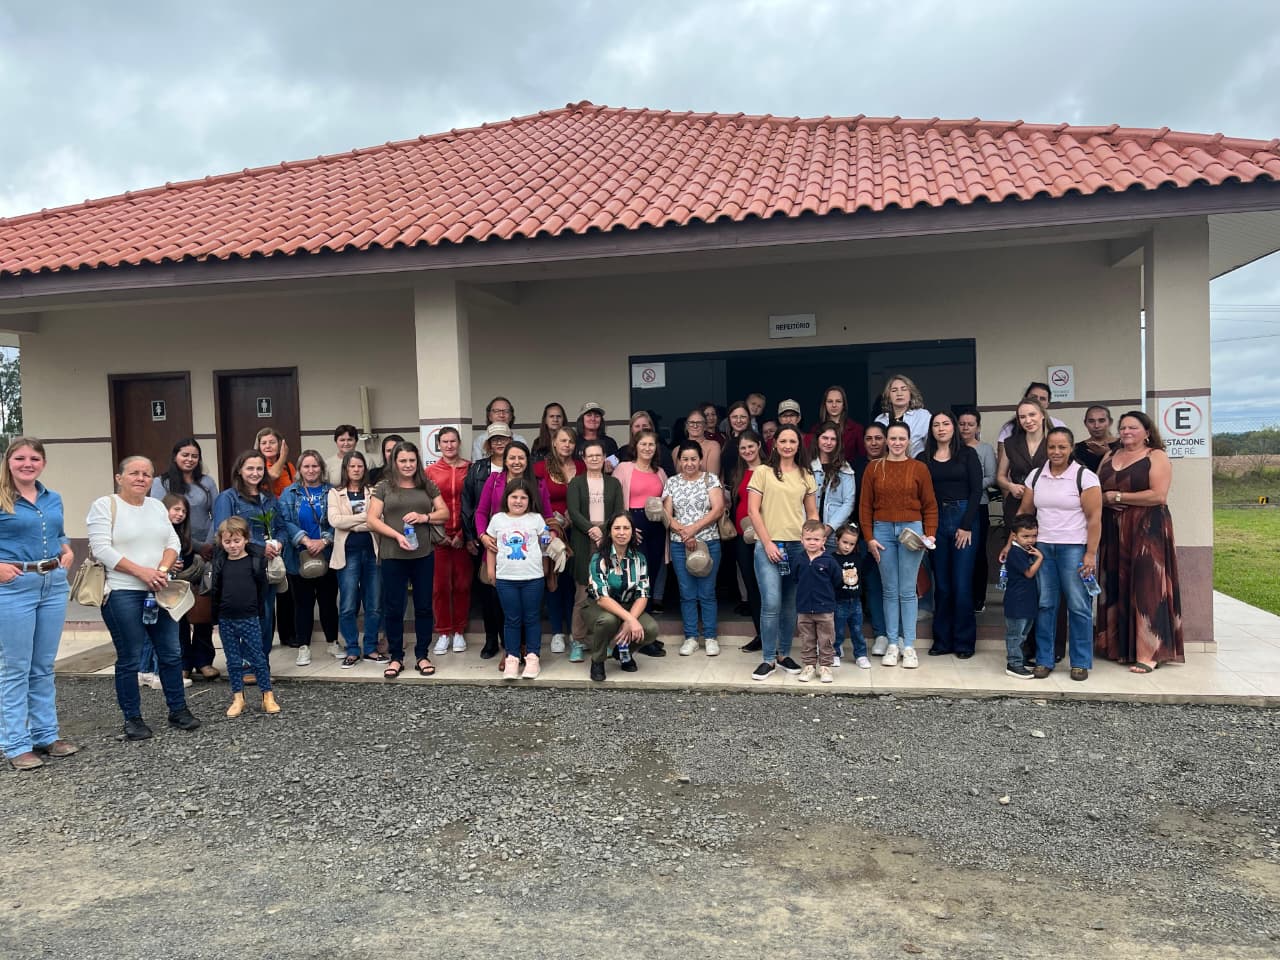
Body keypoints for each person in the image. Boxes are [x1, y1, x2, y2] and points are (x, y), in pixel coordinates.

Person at [88, 455, 202, 741]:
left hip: (159, 589)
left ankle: (178, 709)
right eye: (134, 473)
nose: (141, 478)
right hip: (123, 591)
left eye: (147, 474)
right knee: (130, 656)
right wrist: (142, 573)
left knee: (171, 652)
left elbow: (172, 542)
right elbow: (101, 548)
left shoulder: (155, 507)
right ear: (119, 477)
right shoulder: (105, 506)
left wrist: (160, 571)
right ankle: (133, 718)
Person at [0, 437, 77, 770]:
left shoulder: (53, 498)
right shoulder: (2, 497)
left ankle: (46, 734)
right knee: (15, 667)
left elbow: (58, 534)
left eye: (34, 458)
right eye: (20, 458)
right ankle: (16, 743)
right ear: (9, 461)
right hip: (15, 586)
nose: (27, 464)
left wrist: (67, 549)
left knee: (43, 665)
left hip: (52, 584)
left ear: (43, 463)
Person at [1095, 411, 1185, 673]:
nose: (1126, 432)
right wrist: (1105, 500)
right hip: (1113, 529)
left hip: (1147, 529)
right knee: (1115, 584)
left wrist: (1118, 497)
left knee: (1147, 587)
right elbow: (1097, 489)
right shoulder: (1109, 456)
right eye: (1122, 428)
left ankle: (1150, 653)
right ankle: (1116, 646)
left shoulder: (1156, 456)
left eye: (1133, 427)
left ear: (1147, 431)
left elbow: (1158, 495)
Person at [1014, 426, 1102, 681]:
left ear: (1071, 448)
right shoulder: (1036, 475)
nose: (1056, 451)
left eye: (1062, 447)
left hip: (1073, 547)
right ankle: (1044, 658)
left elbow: (1095, 518)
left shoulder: (1084, 477)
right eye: (1051, 446)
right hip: (1042, 549)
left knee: (1078, 605)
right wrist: (1012, 542)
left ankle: (1081, 661)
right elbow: (1025, 512)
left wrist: (1090, 554)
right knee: (1045, 604)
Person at [366, 441, 449, 680]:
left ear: (418, 461)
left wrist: (424, 517)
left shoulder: (427, 485)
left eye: (412, 460)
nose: (408, 465)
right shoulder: (384, 487)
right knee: (393, 608)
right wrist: (396, 535)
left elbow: (444, 513)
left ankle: (422, 654)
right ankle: (396, 657)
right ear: (394, 462)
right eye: (403, 460)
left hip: (423, 554)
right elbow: (372, 519)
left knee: (423, 606)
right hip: (393, 555)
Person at [860, 421, 938, 669]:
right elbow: (865, 506)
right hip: (882, 530)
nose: (896, 443)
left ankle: (909, 645)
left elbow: (930, 505)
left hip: (911, 530)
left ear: (909, 441)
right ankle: (892, 643)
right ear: (886, 441)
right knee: (889, 589)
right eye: (892, 438)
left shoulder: (919, 468)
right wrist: (869, 537)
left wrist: (930, 534)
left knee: (907, 590)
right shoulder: (874, 469)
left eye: (901, 438)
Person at [747, 425, 818, 680]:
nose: (788, 445)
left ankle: (783, 653)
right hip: (769, 545)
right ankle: (767, 658)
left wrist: (812, 541)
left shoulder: (806, 474)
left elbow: (811, 514)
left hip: (797, 547)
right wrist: (767, 543)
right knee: (772, 602)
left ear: (799, 445)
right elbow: (753, 511)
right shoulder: (763, 473)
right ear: (774, 444)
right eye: (783, 441)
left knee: (789, 604)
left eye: (793, 441)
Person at [149, 437, 220, 679]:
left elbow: (215, 514)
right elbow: (159, 516)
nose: (189, 459)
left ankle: (204, 660)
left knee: (202, 608)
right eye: (185, 455)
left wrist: (209, 545)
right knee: (176, 610)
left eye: (194, 456)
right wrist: (195, 546)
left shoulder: (207, 482)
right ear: (175, 456)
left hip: (205, 554)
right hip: (175, 551)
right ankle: (182, 663)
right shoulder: (162, 483)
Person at [918, 412, 984, 659]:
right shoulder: (923, 458)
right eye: (936, 424)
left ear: (954, 427)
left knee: (961, 584)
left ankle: (964, 642)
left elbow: (977, 490)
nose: (941, 428)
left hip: (963, 520)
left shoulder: (967, 454)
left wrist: (966, 525)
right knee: (942, 585)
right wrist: (926, 527)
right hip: (935, 520)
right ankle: (942, 640)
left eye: (946, 423)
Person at [213, 451, 284, 663]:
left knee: (266, 613)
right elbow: (224, 533)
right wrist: (260, 547)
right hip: (240, 568)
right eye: (250, 468)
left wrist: (278, 542)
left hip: (267, 566)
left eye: (259, 469)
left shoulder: (269, 498)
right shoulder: (228, 498)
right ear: (240, 470)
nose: (255, 473)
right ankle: (242, 662)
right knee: (244, 616)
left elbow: (280, 527)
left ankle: (260, 661)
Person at [209, 517, 280, 717]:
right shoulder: (220, 562)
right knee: (232, 661)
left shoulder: (255, 560)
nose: (233, 546)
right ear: (221, 542)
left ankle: (267, 695)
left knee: (258, 658)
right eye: (228, 542)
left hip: (249, 616)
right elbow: (216, 589)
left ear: (246, 539)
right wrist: (215, 616)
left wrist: (259, 611)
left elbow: (261, 587)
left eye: (237, 541)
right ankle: (238, 697)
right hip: (226, 618)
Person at [663, 440, 726, 657]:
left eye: (693, 459)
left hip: (708, 542)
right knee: (687, 592)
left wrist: (693, 530)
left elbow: (718, 509)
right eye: (685, 459)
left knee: (707, 592)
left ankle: (710, 637)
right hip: (680, 544)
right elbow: (667, 514)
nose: (689, 463)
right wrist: (684, 533)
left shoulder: (711, 479)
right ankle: (690, 637)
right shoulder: (672, 482)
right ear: (679, 461)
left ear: (700, 460)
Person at [278, 450, 338, 666]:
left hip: (327, 554)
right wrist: (305, 540)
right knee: (302, 604)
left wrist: (324, 540)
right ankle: (303, 646)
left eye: (315, 466)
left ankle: (333, 642)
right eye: (306, 466)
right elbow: (284, 520)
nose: (311, 470)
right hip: (298, 556)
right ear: (300, 469)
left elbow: (336, 519)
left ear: (321, 468)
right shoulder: (289, 493)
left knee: (328, 602)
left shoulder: (331, 491)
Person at [584, 512, 660, 682]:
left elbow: (643, 594)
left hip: (628, 605)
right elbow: (601, 597)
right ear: (609, 532)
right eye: (617, 528)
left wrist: (630, 619)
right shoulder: (599, 559)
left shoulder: (639, 559)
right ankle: (598, 660)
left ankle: (623, 651)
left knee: (650, 629)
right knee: (608, 621)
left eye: (626, 528)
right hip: (599, 607)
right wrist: (630, 620)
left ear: (632, 532)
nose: (621, 532)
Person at [567, 440, 625, 662]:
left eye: (598, 455)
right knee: (582, 594)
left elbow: (619, 511)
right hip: (583, 541)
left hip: (607, 542)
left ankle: (607, 641)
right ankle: (578, 641)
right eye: (589, 455)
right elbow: (573, 511)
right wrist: (591, 529)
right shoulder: (576, 483)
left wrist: (602, 530)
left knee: (608, 593)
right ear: (583, 458)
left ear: (604, 458)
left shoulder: (613, 483)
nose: (594, 459)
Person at [487, 482, 550, 679]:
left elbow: (545, 543)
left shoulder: (536, 519)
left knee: (531, 618)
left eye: (523, 498)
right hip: (506, 578)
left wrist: (546, 563)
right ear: (506, 498)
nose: (518, 501)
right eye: (514, 497)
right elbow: (490, 546)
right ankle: (512, 658)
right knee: (511, 619)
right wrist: (491, 570)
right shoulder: (497, 519)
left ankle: (532, 657)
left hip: (533, 578)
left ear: (530, 501)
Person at [328, 451, 383, 668]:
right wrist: (365, 519)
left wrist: (354, 521)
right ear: (346, 469)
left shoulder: (373, 491)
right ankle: (352, 647)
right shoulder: (335, 492)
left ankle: (370, 647)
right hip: (347, 554)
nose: (357, 470)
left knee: (374, 604)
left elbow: (379, 519)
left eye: (360, 466)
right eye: (352, 466)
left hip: (372, 552)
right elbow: (335, 520)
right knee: (348, 605)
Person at [462, 423, 512, 659]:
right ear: (488, 444)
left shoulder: (519, 467)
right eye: (495, 440)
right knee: (488, 595)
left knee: (509, 595)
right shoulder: (478, 469)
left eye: (503, 439)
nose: (499, 443)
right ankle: (491, 639)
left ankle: (510, 642)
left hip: (514, 541)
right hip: (485, 540)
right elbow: (469, 504)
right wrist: (472, 536)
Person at [533, 427, 583, 652]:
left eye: (571, 441)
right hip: (550, 532)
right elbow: (533, 499)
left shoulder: (581, 466)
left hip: (577, 531)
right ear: (554, 442)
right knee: (553, 579)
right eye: (563, 440)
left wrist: (574, 515)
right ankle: (556, 632)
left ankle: (575, 629)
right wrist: (551, 520)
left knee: (573, 581)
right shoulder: (540, 468)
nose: (567, 445)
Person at [613, 429, 669, 624]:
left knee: (651, 575)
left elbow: (667, 502)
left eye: (651, 444)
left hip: (657, 526)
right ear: (635, 446)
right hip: (633, 524)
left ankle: (646, 627)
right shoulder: (623, 468)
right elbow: (615, 500)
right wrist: (626, 527)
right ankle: (632, 624)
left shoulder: (660, 472)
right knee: (635, 575)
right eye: (643, 444)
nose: (647, 448)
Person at [426, 427, 471, 658]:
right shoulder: (430, 471)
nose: (449, 445)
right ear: (439, 444)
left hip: (463, 538)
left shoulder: (470, 468)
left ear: (459, 442)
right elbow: (426, 506)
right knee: (440, 587)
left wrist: (463, 534)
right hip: (439, 539)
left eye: (453, 441)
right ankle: (443, 632)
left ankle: (459, 630)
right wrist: (440, 535)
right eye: (445, 441)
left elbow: (473, 504)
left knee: (462, 585)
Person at [957, 408, 997, 614]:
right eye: (962, 423)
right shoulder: (951, 449)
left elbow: (992, 477)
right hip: (954, 508)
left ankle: (978, 598)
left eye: (970, 424)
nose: (965, 427)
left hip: (978, 505)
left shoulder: (985, 449)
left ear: (978, 427)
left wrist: (969, 485)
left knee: (978, 553)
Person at [793, 519, 843, 683]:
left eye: (816, 539)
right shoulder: (799, 560)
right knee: (807, 639)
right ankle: (808, 666)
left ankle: (826, 667)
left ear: (823, 541)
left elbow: (837, 580)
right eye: (808, 539)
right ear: (802, 540)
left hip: (825, 609)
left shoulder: (829, 561)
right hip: (804, 608)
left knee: (826, 639)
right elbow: (795, 578)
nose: (812, 542)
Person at [730, 430, 765, 651]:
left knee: (767, 585)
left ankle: (774, 634)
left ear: (759, 445)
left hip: (765, 534)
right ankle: (760, 634)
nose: (747, 451)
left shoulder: (770, 470)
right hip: (743, 535)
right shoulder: (738, 472)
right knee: (751, 585)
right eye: (743, 448)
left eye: (751, 446)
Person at [856, 423, 889, 653]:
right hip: (858, 533)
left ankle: (888, 634)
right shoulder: (855, 466)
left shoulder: (894, 464)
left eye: (879, 438)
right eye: (869, 438)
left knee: (885, 585)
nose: (874, 442)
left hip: (886, 532)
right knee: (863, 583)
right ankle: (875, 634)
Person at [996, 399, 1049, 530]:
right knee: (1016, 546)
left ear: (1042, 415)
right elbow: (1000, 477)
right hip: (1017, 503)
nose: (1028, 420)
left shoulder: (1054, 442)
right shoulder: (1011, 443)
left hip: (1047, 504)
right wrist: (1010, 486)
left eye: (1032, 415)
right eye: (1022, 417)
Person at [1001, 516, 1043, 679]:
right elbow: (1029, 573)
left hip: (1026, 600)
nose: (1030, 540)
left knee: (1023, 633)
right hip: (1016, 601)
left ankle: (1021, 659)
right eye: (1025, 536)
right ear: (1014, 536)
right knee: (1015, 633)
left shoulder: (1025, 550)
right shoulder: (1016, 552)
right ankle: (1014, 663)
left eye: (1033, 536)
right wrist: (1040, 558)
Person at [810, 421, 856, 549]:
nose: (828, 442)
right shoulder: (807, 466)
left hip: (834, 534)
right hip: (809, 534)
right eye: (825, 438)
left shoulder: (845, 468)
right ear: (818, 439)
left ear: (838, 442)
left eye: (833, 439)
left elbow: (848, 502)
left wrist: (829, 528)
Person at [995, 382, 1067, 456]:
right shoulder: (1009, 428)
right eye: (1033, 397)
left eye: (1042, 399)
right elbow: (1002, 460)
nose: (1038, 401)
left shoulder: (1059, 425)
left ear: (1047, 404)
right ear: (1025, 398)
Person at [831, 524, 867, 669]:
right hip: (838, 602)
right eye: (845, 542)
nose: (847, 547)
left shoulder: (858, 558)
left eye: (851, 544)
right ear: (837, 540)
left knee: (858, 630)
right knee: (837, 630)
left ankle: (861, 655)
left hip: (856, 602)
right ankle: (834, 653)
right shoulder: (831, 559)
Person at [873, 375, 931, 458]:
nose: (899, 394)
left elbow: (931, 446)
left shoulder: (923, 416)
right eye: (894, 390)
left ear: (911, 394)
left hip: (915, 466)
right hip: (886, 467)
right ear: (888, 396)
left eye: (904, 389)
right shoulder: (880, 420)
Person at [806, 386, 866, 461]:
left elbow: (862, 458)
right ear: (825, 404)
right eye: (830, 401)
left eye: (838, 401)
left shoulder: (856, 429)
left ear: (844, 404)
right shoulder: (816, 429)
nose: (834, 405)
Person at [617, 410, 676, 476]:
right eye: (637, 426)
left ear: (651, 428)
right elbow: (609, 466)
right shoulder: (623, 451)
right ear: (631, 430)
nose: (641, 429)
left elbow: (670, 477)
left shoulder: (662, 450)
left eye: (644, 426)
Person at [472, 396, 527, 460]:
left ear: (511, 416)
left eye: (506, 411)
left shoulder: (520, 440)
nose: (501, 415)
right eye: (496, 411)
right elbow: (477, 467)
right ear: (489, 416)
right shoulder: (480, 441)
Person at [1074, 405, 1118, 473]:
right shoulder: (1077, 449)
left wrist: (1108, 454)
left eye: (1101, 421)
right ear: (1085, 423)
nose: (1096, 426)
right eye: (1091, 421)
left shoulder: (1122, 445)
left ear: (1110, 422)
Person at [256, 427, 296, 498]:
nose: (268, 446)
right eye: (263, 443)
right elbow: (273, 475)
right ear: (259, 447)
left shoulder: (289, 466)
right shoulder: (256, 466)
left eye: (272, 442)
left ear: (280, 445)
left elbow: (296, 490)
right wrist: (283, 456)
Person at [682, 407, 722, 476]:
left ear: (705, 426)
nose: (695, 426)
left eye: (699, 423)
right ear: (686, 426)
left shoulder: (713, 446)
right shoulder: (676, 450)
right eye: (692, 422)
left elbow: (712, 478)